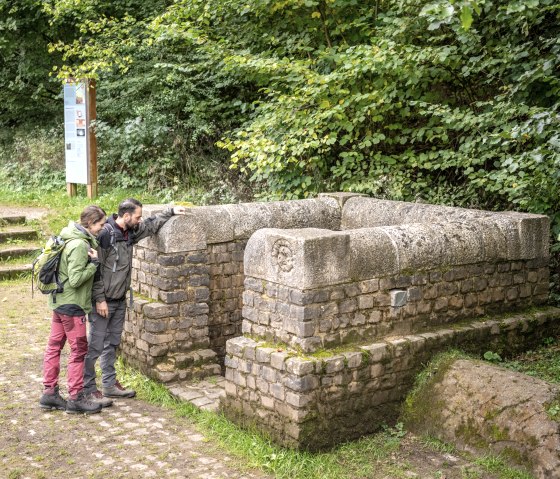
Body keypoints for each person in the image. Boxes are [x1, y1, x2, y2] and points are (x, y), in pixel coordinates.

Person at [84, 198, 186, 405]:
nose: (139, 220)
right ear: (126, 215)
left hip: (120, 299)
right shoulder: (104, 234)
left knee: (111, 344)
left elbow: (151, 224)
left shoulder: (130, 232)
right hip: (102, 302)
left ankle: (109, 385)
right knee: (94, 346)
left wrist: (171, 211)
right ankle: (87, 388)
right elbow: (94, 270)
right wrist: (99, 299)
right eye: (137, 216)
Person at [39, 205, 107, 415]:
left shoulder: (68, 236)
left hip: (58, 302)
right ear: (90, 223)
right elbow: (76, 279)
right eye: (101, 224)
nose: (102, 229)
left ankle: (49, 393)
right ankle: (76, 397)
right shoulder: (79, 244)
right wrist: (94, 263)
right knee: (78, 350)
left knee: (54, 347)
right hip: (72, 305)